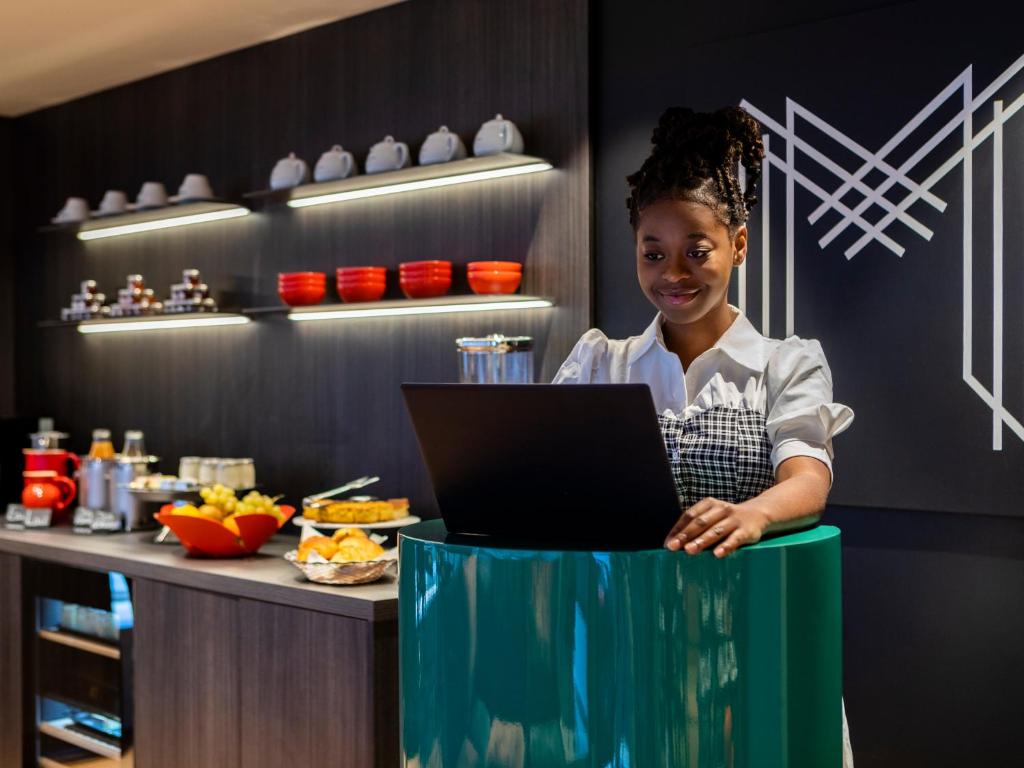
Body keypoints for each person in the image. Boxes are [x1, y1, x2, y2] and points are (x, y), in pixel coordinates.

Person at [553, 105, 855, 765]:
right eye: (653, 253)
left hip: (752, 644)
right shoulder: (602, 363)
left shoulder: (786, 363)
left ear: (739, 245)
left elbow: (809, 479)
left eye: (697, 251)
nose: (673, 274)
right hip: (626, 647)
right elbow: (548, 475)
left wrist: (751, 514)